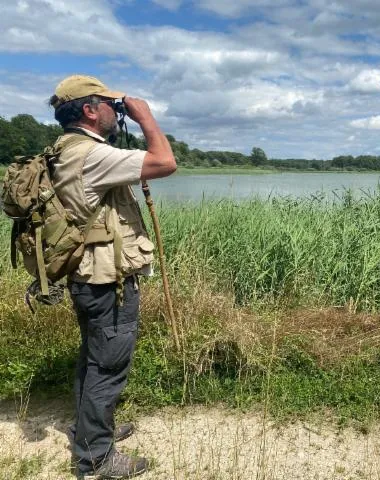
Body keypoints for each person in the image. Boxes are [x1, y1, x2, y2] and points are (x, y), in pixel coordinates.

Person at [48, 74, 176, 478]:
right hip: (105, 281)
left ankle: (89, 430)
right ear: (89, 110)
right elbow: (165, 162)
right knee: (109, 364)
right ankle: (95, 459)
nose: (115, 112)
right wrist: (145, 118)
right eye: (110, 105)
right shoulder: (91, 154)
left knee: (92, 356)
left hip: (85, 275)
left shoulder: (64, 148)